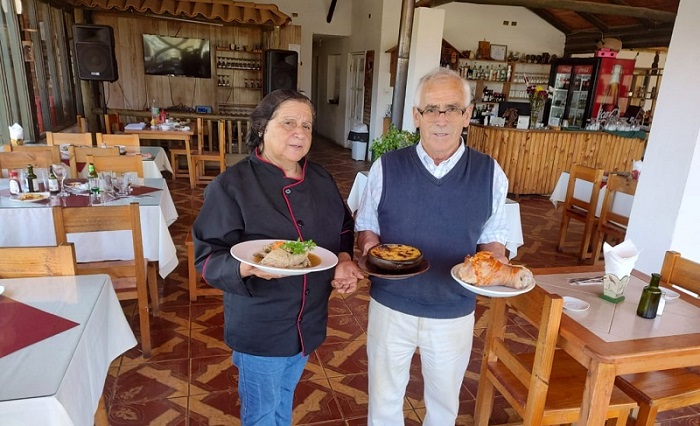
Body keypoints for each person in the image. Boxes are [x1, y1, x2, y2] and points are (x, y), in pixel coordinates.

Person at [193, 89, 364, 425]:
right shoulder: (232, 185)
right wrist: (248, 267)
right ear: (262, 127)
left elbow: (344, 225)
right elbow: (207, 257)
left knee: (284, 399)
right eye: (288, 123)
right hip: (262, 327)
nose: (299, 132)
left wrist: (344, 258)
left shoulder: (321, 178)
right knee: (261, 414)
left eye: (306, 125)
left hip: (309, 320)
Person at [355, 67, 509, 425]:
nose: (441, 119)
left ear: (467, 115)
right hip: (391, 306)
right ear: (416, 116)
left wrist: (493, 264)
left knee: (443, 407)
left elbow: (495, 243)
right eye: (431, 109)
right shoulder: (386, 167)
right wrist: (371, 250)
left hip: (454, 310)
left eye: (452, 108)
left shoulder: (490, 173)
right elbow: (366, 227)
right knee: (384, 401)